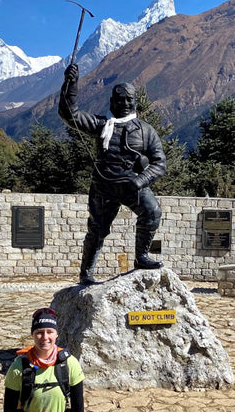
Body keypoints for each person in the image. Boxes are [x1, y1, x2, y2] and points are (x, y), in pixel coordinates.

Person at [58, 62, 167, 284]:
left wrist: (140, 181)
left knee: (152, 211)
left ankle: (142, 257)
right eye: (120, 100)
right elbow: (69, 114)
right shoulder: (101, 125)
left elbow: (159, 163)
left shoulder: (146, 131)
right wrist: (71, 82)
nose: (125, 104)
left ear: (135, 102)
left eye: (129, 100)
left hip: (132, 186)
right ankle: (86, 273)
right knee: (97, 230)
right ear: (112, 102)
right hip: (103, 188)